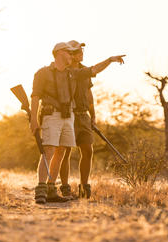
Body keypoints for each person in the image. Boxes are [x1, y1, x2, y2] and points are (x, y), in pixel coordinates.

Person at [59, 40, 125, 199]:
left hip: (83, 115)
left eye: (82, 51)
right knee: (65, 151)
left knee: (87, 149)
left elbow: (89, 95)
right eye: (78, 52)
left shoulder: (84, 71)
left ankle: (84, 186)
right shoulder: (64, 72)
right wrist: (110, 60)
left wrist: (93, 115)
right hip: (68, 114)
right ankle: (65, 186)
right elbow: (96, 69)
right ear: (71, 55)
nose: (81, 53)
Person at [30, 42, 79, 204]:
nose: (72, 56)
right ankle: (41, 189)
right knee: (48, 150)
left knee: (62, 151)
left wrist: (110, 60)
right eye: (69, 53)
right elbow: (35, 96)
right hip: (51, 115)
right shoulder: (43, 73)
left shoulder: (72, 73)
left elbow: (92, 70)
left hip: (68, 116)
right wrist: (33, 119)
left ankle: (51, 190)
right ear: (59, 53)